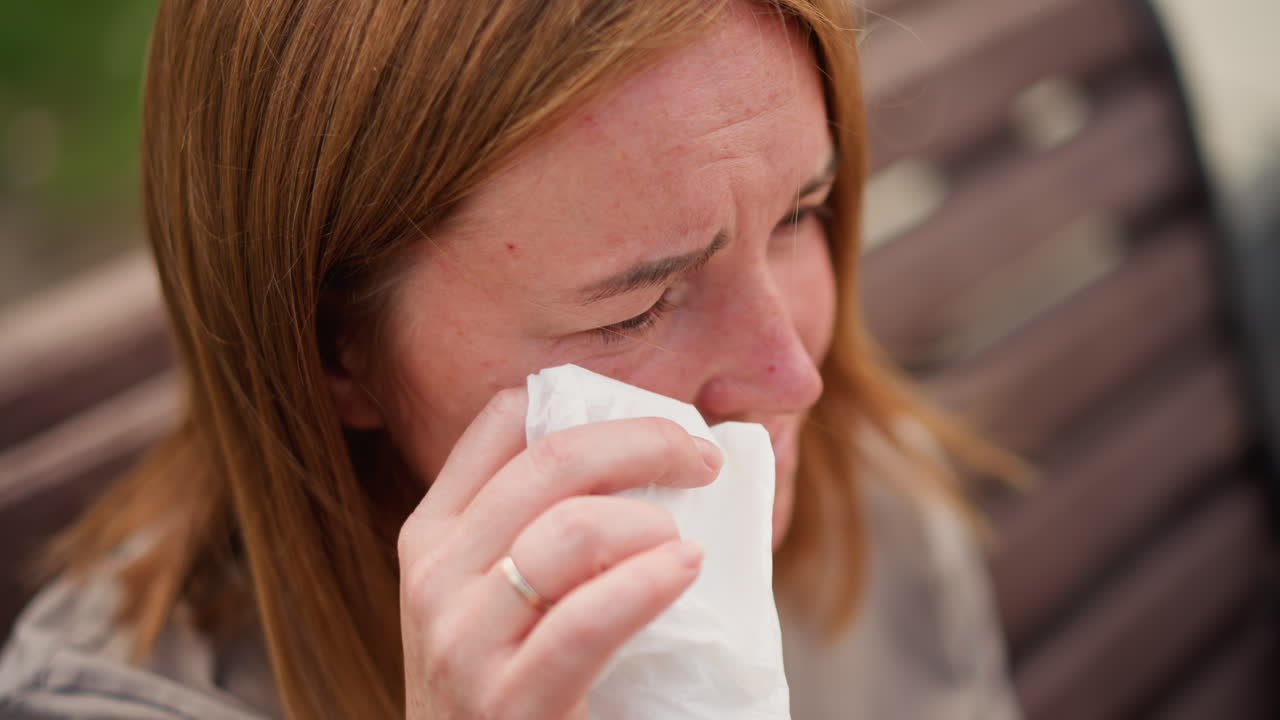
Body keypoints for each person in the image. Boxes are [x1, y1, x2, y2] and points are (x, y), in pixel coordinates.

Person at [0, 0, 1024, 718]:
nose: (791, 378)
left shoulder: (867, 499)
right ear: (334, 354)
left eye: (799, 213)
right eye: (636, 304)